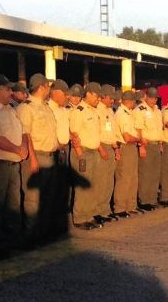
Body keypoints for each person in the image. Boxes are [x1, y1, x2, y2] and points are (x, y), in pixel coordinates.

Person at [0, 75, 27, 256]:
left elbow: (22, 131)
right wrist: (18, 149)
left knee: (14, 204)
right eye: (8, 89)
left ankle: (13, 241)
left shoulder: (11, 109)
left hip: (15, 162)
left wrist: (22, 148)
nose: (11, 92)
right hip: (1, 163)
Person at [17, 73, 59, 244]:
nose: (49, 89)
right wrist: (32, 159)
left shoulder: (46, 107)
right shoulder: (26, 107)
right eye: (48, 86)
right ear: (41, 87)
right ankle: (30, 235)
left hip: (50, 156)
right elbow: (26, 135)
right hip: (37, 156)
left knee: (48, 197)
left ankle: (43, 232)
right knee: (33, 198)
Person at [69, 82, 104, 229]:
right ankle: (79, 218)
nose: (98, 99)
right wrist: (80, 154)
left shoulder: (93, 111)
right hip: (83, 152)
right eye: (96, 95)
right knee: (83, 186)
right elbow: (74, 133)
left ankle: (88, 215)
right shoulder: (79, 111)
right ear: (88, 94)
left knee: (92, 186)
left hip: (94, 152)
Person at [47, 79, 72, 237]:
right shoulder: (48, 109)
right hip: (53, 151)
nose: (67, 97)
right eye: (65, 93)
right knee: (52, 189)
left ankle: (58, 222)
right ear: (55, 93)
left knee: (62, 188)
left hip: (64, 150)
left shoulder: (63, 109)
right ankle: (51, 224)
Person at [96, 84, 123, 222]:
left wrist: (116, 149)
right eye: (110, 98)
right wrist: (100, 148)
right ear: (103, 97)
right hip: (101, 147)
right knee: (101, 181)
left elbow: (112, 132)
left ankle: (105, 209)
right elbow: (96, 133)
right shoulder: (97, 111)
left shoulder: (110, 111)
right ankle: (98, 211)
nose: (112, 100)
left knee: (108, 181)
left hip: (111, 147)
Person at [134, 87, 164, 211]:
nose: (154, 99)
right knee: (145, 173)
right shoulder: (140, 110)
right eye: (151, 97)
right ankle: (143, 200)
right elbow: (138, 129)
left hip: (156, 144)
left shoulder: (157, 110)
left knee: (155, 173)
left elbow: (159, 128)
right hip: (146, 145)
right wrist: (141, 146)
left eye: (155, 97)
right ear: (146, 96)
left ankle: (152, 198)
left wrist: (161, 143)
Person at [114, 90, 141, 218]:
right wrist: (139, 139)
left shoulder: (128, 113)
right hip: (126, 147)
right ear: (129, 101)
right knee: (124, 178)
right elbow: (127, 137)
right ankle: (120, 208)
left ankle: (130, 206)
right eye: (134, 100)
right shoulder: (122, 114)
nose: (135, 103)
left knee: (133, 178)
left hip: (132, 147)